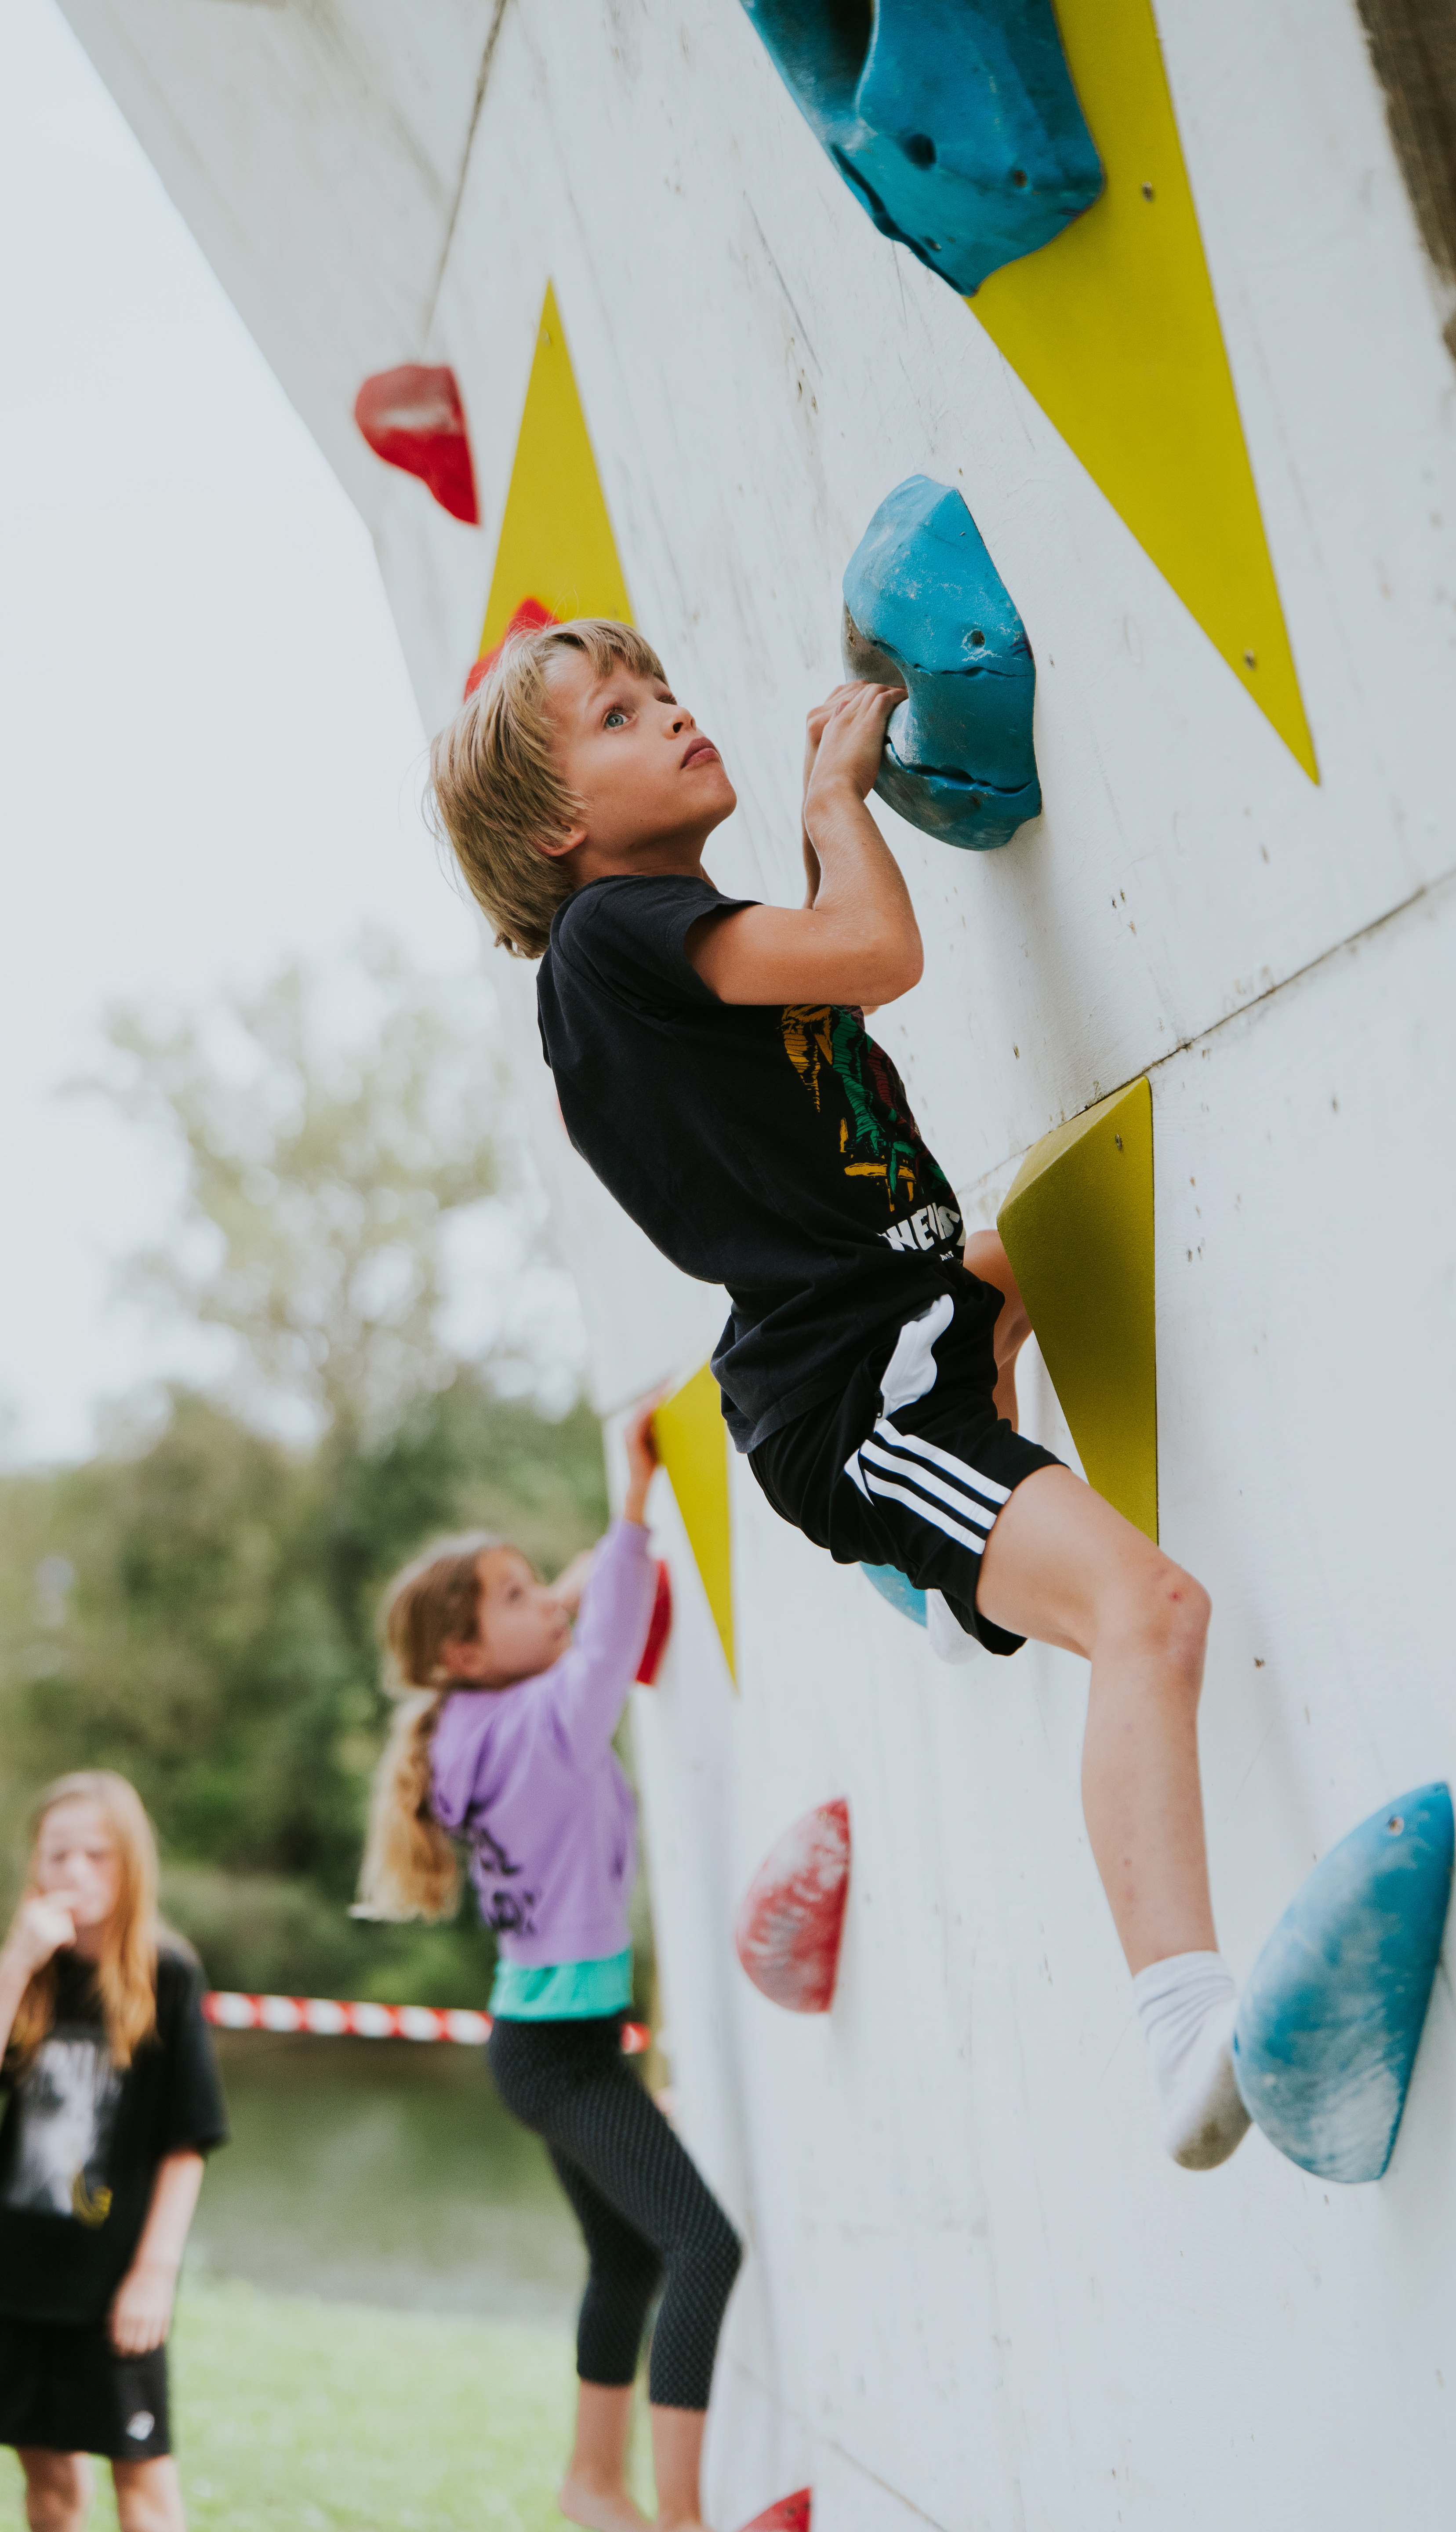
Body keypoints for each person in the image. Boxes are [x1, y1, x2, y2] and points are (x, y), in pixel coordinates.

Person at [425, 616, 1250, 2175]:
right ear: (556, 829)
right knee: (1152, 1613)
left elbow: (824, 982)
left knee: (1022, 1256)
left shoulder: (660, 953)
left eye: (664, 690)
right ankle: (1180, 2028)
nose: (674, 713)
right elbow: (875, 955)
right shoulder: (612, 940)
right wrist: (831, 802)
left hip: (916, 1316)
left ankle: (951, 1593)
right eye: (619, 716)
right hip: (869, 1400)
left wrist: (821, 836)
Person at [357, 1408, 741, 2532]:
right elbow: (605, 1649)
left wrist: (562, 1592)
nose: (547, 1604)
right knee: (702, 2248)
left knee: (625, 2262)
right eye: (516, 1596)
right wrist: (634, 1504)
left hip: (540, 2044)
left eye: (537, 1585)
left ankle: (591, 2483)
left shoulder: (466, 1733)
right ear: (465, 1655)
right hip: (564, 2055)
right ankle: (682, 2519)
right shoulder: (546, 1726)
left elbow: (573, 1628)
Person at [0, 1772, 228, 2532]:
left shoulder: (168, 1974)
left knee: (145, 2482)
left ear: (132, 1864)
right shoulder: (25, 1973)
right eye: (57, 1854)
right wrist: (16, 1961)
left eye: (97, 1854)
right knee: (49, 2481)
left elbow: (186, 2143)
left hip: (113, 2283)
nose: (75, 1871)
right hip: (17, 2275)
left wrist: (153, 2274)